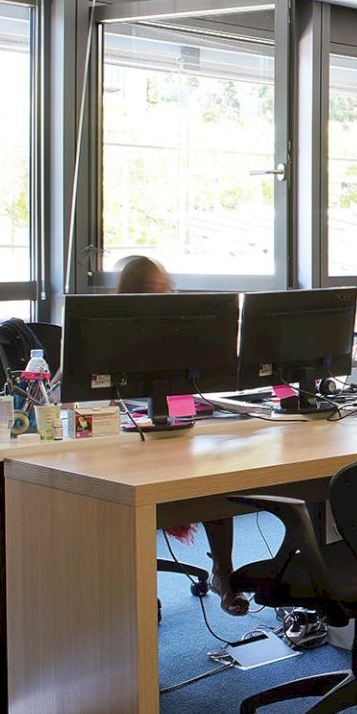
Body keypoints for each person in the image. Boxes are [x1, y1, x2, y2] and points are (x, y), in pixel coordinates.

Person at [119, 255, 246, 616]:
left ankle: (223, 571)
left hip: (174, 423)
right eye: (154, 289)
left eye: (167, 288)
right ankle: (135, 588)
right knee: (134, 494)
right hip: (124, 434)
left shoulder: (179, 328)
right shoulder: (113, 327)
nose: (164, 295)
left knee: (215, 473)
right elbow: (71, 383)